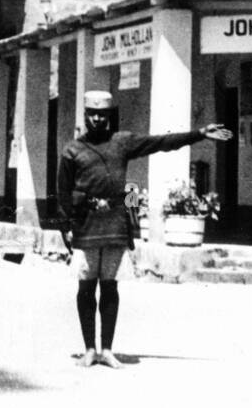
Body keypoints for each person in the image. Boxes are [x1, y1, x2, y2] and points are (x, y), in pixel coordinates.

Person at [57, 90, 232, 369]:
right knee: (86, 287)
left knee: (110, 287)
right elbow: (63, 192)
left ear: (109, 115)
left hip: (115, 223)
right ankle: (89, 349)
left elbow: (161, 142)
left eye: (103, 114)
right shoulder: (72, 150)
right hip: (86, 225)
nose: (98, 118)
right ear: (86, 115)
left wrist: (199, 133)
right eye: (93, 113)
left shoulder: (123, 142)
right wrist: (65, 227)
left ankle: (108, 350)